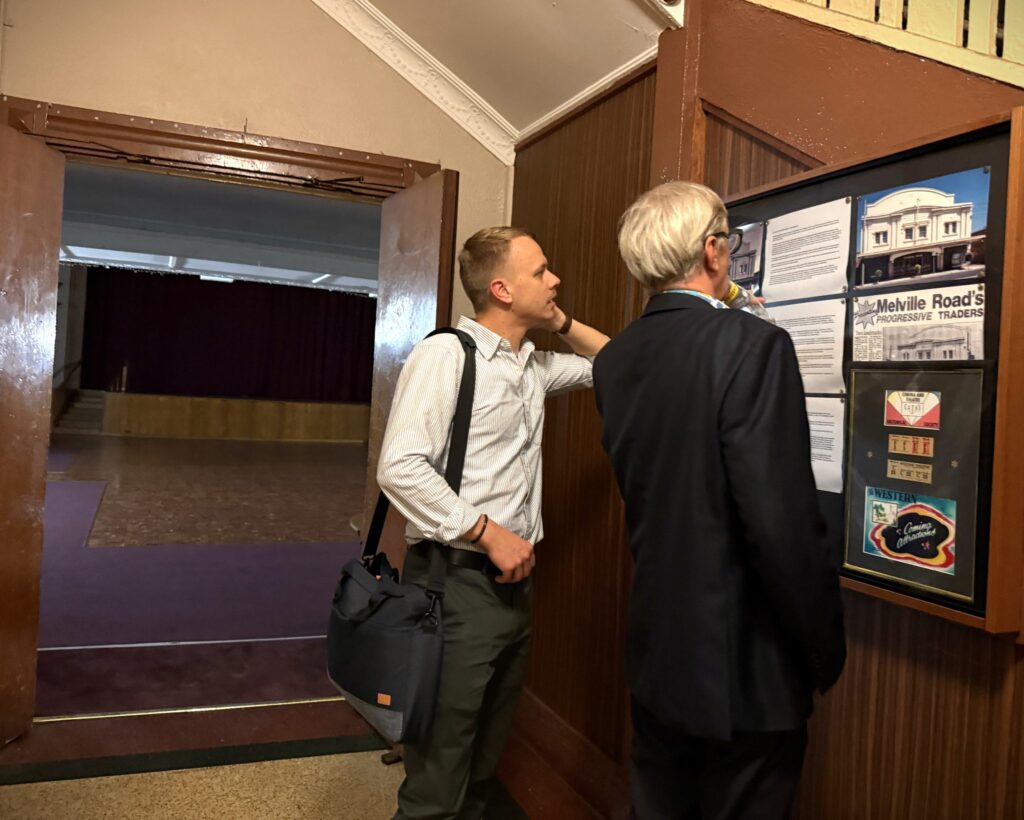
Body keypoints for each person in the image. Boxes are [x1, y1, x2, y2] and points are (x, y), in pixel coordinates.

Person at [593, 182, 846, 820]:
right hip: (745, 666)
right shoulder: (753, 345)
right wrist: (823, 649)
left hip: (659, 649)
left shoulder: (617, 359)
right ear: (712, 250)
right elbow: (779, 521)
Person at [377, 226, 609, 820]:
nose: (555, 279)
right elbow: (399, 468)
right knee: (440, 767)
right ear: (502, 290)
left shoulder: (533, 366)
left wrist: (560, 321)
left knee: (485, 757)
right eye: (541, 272)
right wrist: (486, 532)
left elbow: (614, 362)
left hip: (513, 588)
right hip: (455, 583)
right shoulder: (447, 356)